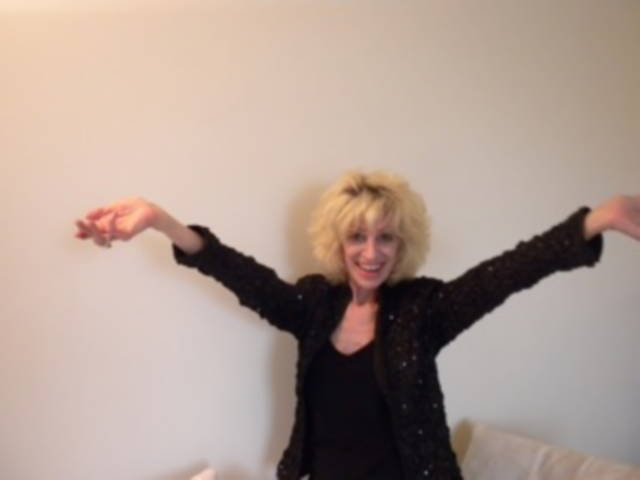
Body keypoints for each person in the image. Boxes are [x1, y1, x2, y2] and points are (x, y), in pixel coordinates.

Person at [74, 171, 640, 480]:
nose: (372, 252)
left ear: (402, 243)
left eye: (385, 237)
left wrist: (599, 219)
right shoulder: (313, 305)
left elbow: (504, 274)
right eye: (358, 236)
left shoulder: (422, 311)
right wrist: (160, 220)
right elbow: (236, 271)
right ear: (338, 241)